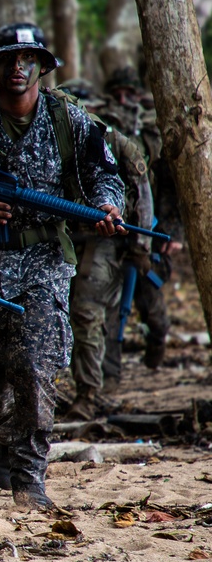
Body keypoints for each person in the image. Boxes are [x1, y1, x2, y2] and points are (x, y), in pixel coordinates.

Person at [0, 23, 126, 511]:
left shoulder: (68, 119)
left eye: (27, 59)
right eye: (8, 59)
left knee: (35, 367)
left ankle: (30, 474)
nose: (17, 69)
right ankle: (6, 436)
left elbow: (105, 174)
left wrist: (106, 207)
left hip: (45, 259)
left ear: (42, 67)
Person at [58, 78, 154, 420]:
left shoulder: (115, 141)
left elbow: (142, 192)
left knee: (87, 312)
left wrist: (141, 246)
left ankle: (89, 393)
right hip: (62, 237)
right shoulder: (55, 137)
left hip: (105, 240)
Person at [100, 67, 183, 373]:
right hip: (110, 231)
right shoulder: (101, 129)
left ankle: (156, 349)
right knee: (107, 314)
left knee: (153, 310)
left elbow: (172, 186)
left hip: (151, 231)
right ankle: (109, 378)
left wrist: (172, 233)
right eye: (117, 94)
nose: (123, 100)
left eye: (129, 94)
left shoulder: (155, 134)